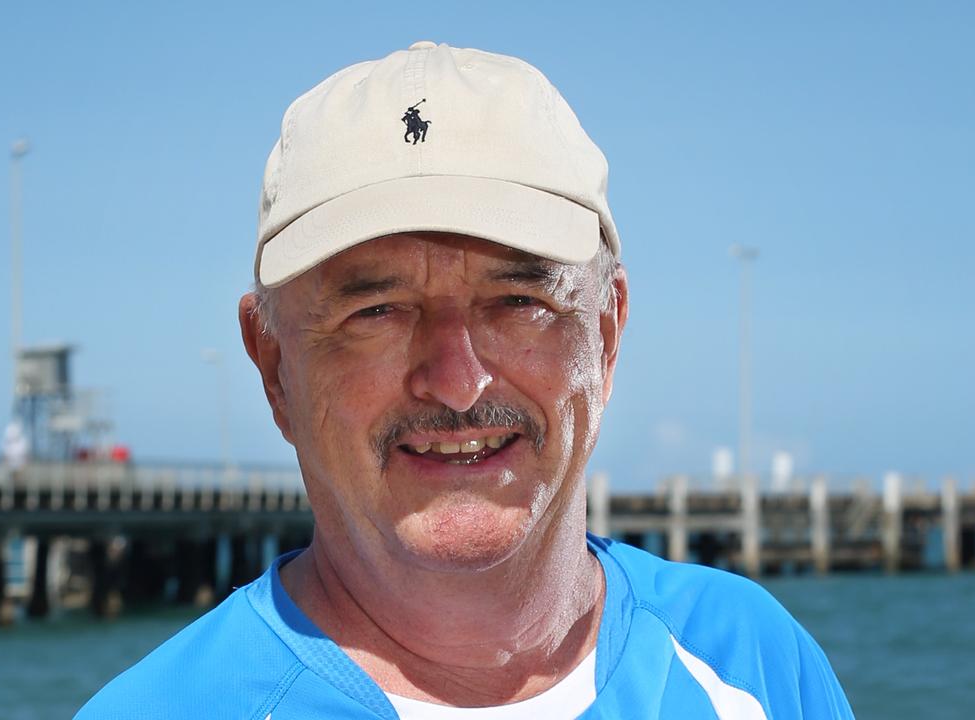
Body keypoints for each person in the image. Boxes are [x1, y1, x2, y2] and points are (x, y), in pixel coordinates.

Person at [77, 41, 854, 719]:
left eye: (520, 302)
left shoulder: (754, 661)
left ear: (608, 335)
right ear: (273, 364)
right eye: (377, 310)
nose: (456, 381)